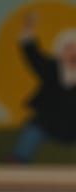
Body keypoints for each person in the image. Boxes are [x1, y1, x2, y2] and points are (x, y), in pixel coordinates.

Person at [12, 11, 76, 162]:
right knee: (33, 126)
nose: (74, 53)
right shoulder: (50, 68)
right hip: (49, 122)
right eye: (69, 48)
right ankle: (19, 158)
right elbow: (32, 54)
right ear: (60, 52)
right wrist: (28, 27)